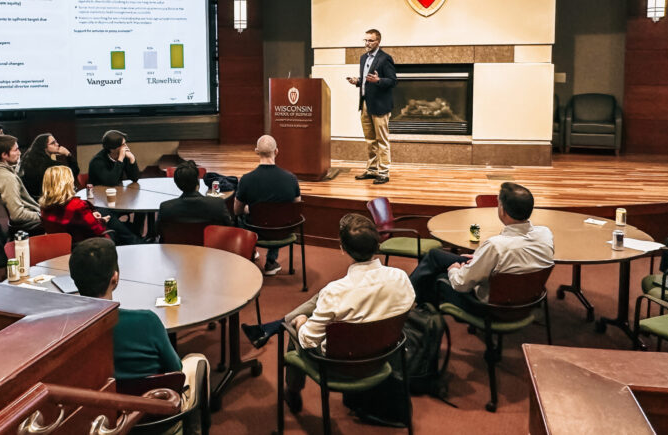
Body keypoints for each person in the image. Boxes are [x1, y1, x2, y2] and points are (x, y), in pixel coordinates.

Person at [250, 214, 414, 413]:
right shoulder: (401, 278)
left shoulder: (336, 291)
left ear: (342, 248)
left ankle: (292, 390)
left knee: (297, 329)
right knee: (322, 297)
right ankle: (275, 325)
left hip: (340, 364)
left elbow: (308, 340)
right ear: (377, 245)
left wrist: (301, 322)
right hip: (384, 353)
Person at [68, 238, 208, 431]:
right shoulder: (147, 321)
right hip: (156, 417)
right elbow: (176, 370)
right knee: (198, 360)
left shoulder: (67, 328)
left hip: (101, 420)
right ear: (115, 279)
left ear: (74, 280)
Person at [409, 182, 554, 309]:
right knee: (435, 256)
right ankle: (410, 297)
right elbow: (519, 259)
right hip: (527, 298)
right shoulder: (545, 234)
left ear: (503, 210)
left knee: (439, 276)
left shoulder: (495, 246)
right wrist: (480, 258)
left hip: (492, 305)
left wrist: (454, 271)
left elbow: (461, 284)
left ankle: (408, 300)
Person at [233, 135, 301, 276]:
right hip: (282, 232)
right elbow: (296, 207)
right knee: (278, 216)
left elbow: (236, 210)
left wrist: (248, 209)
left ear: (256, 151)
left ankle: (251, 251)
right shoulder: (291, 179)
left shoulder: (246, 179)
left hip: (256, 229)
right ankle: (271, 262)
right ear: (276, 151)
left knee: (240, 218)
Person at [39, 165, 139, 245]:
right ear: (67, 183)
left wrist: (92, 214)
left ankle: (136, 240)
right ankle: (137, 242)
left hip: (63, 248)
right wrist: (103, 220)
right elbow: (97, 230)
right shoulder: (77, 205)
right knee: (114, 227)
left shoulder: (44, 208)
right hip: (89, 247)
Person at [347, 28, 396, 185]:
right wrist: (358, 81)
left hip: (380, 105)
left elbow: (392, 80)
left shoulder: (385, 58)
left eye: (370, 40)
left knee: (382, 140)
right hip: (365, 104)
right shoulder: (363, 58)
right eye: (365, 40)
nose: (367, 43)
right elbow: (367, 80)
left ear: (378, 42)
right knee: (370, 140)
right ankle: (372, 170)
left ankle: (383, 172)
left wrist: (379, 80)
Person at [157, 161, 232, 233]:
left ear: (177, 184)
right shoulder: (217, 204)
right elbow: (229, 227)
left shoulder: (166, 208)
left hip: (177, 245)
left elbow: (158, 231)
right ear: (198, 181)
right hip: (209, 245)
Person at [0, 134, 42, 234]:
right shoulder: (7, 178)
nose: (19, 153)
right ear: (4, 155)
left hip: (31, 214)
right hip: (29, 224)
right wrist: (43, 216)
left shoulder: (2, 172)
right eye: (16, 150)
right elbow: (17, 215)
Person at [19, 132, 81, 198]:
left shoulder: (28, 161)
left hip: (32, 201)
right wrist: (68, 154)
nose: (57, 144)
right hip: (49, 202)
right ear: (44, 147)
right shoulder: (53, 166)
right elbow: (73, 172)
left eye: (56, 142)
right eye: (53, 143)